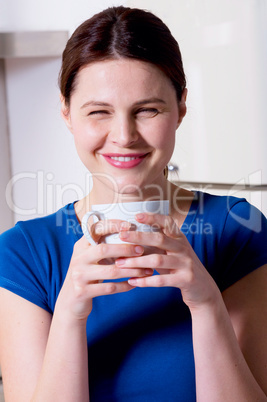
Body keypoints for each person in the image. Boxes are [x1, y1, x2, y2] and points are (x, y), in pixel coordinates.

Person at [0, 5, 267, 401]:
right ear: (67, 113)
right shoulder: (24, 253)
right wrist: (71, 312)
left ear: (181, 109)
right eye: (99, 112)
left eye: (147, 110)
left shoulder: (237, 227)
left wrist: (205, 301)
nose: (124, 136)